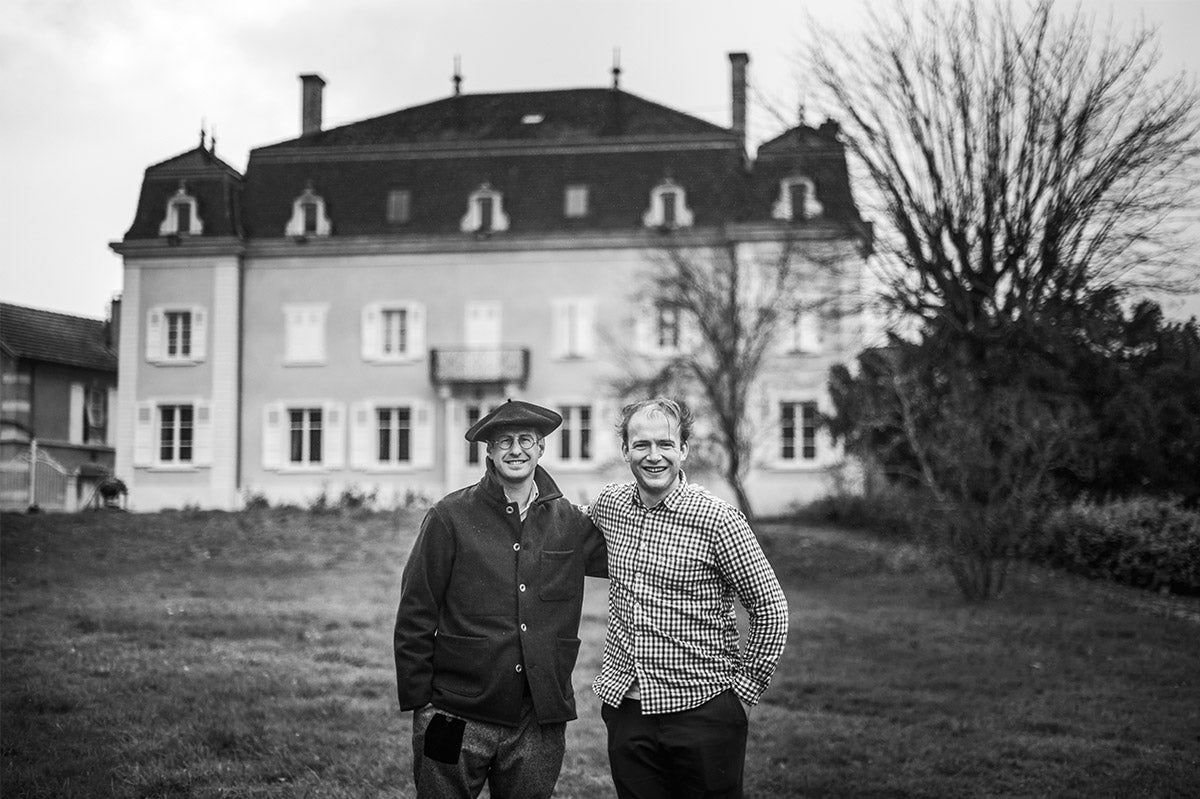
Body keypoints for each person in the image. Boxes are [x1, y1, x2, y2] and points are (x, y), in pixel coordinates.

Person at [394, 399, 607, 798]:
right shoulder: (449, 516)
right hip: (455, 711)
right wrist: (423, 705)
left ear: (541, 447)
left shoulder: (570, 522)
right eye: (504, 441)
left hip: (537, 718)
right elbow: (415, 612)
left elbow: (634, 557)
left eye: (526, 439)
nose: (516, 450)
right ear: (489, 451)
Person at [589, 397, 789, 799]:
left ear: (682, 449)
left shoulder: (718, 519)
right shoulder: (611, 506)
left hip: (705, 710)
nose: (654, 456)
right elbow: (558, 525)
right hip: (629, 712)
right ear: (625, 451)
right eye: (642, 445)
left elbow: (771, 608)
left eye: (665, 444)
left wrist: (743, 694)